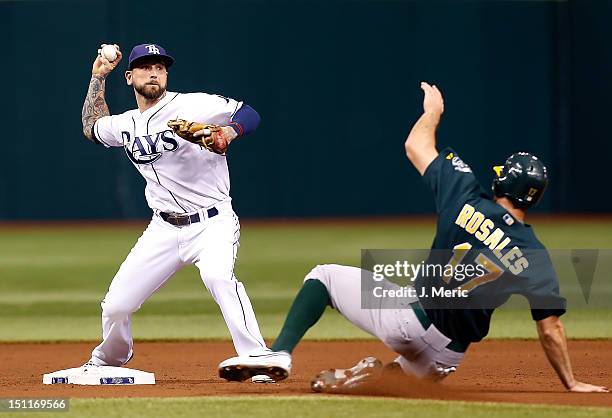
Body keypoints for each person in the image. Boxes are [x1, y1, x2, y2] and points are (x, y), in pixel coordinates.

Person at [217, 82, 609, 393]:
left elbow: (416, 145)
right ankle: (371, 377)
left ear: (501, 180)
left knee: (323, 276)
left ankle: (281, 354)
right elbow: (550, 328)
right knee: (394, 384)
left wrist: (432, 112)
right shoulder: (534, 253)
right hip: (447, 357)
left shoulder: (465, 196)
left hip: (410, 322)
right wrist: (570, 384)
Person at [79, 43, 272, 382]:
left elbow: (249, 113)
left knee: (218, 278)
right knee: (116, 306)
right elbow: (92, 126)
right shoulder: (125, 124)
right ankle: (110, 358)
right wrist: (98, 77)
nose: (153, 72)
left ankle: (258, 357)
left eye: (160, 67)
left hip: (212, 221)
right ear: (129, 76)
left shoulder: (193, 104)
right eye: (144, 67)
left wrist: (227, 132)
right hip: (163, 229)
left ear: (167, 74)